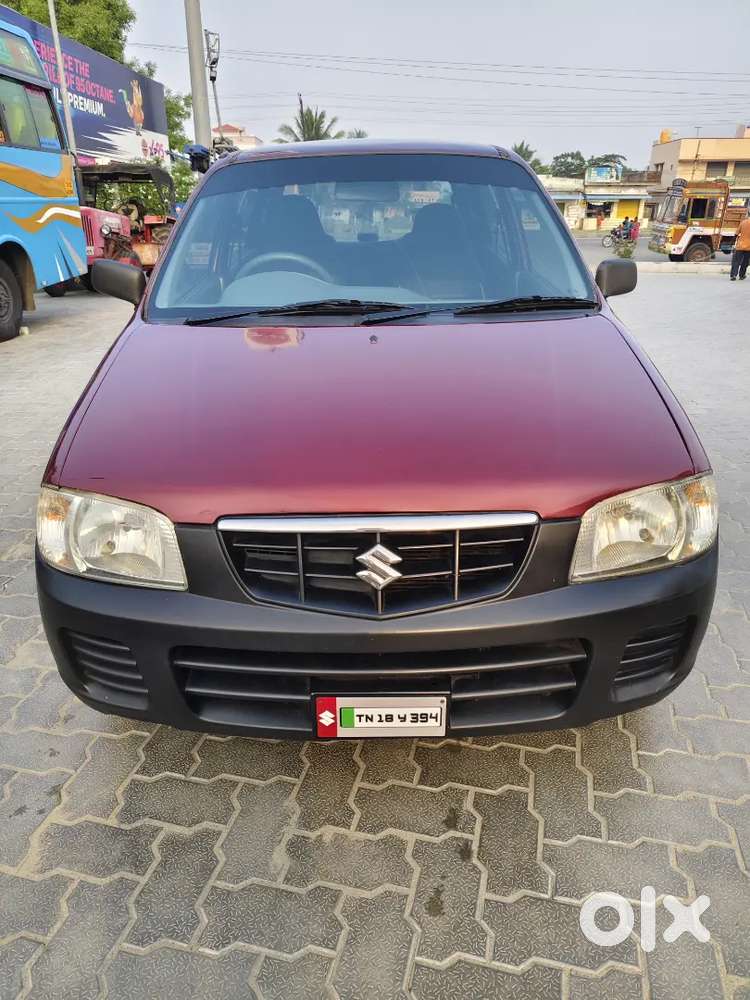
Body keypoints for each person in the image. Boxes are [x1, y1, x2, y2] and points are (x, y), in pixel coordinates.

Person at [730, 209, 750, 281]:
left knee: (736, 261)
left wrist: (732, 243)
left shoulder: (743, 222)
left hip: (740, 246)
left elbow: (736, 234)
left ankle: (733, 275)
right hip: (748, 247)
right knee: (745, 262)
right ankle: (742, 275)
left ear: (748, 214)